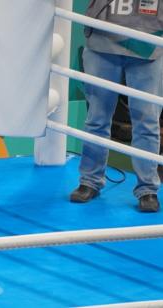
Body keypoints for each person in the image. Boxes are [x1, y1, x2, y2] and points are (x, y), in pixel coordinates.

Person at [70, 0, 163, 212]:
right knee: (97, 118)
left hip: (149, 43)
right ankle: (90, 181)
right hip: (102, 39)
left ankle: (147, 188)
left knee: (147, 122)